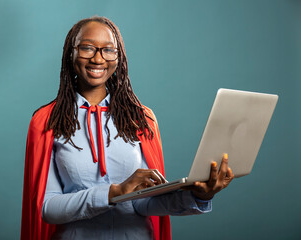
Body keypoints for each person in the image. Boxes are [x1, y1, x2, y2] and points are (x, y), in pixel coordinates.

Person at [21, 16, 234, 240]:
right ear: (70, 53)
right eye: (87, 48)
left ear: (119, 57)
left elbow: (144, 203)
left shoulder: (141, 118)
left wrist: (199, 196)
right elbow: (47, 208)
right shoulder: (48, 120)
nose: (98, 58)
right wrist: (114, 193)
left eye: (108, 50)